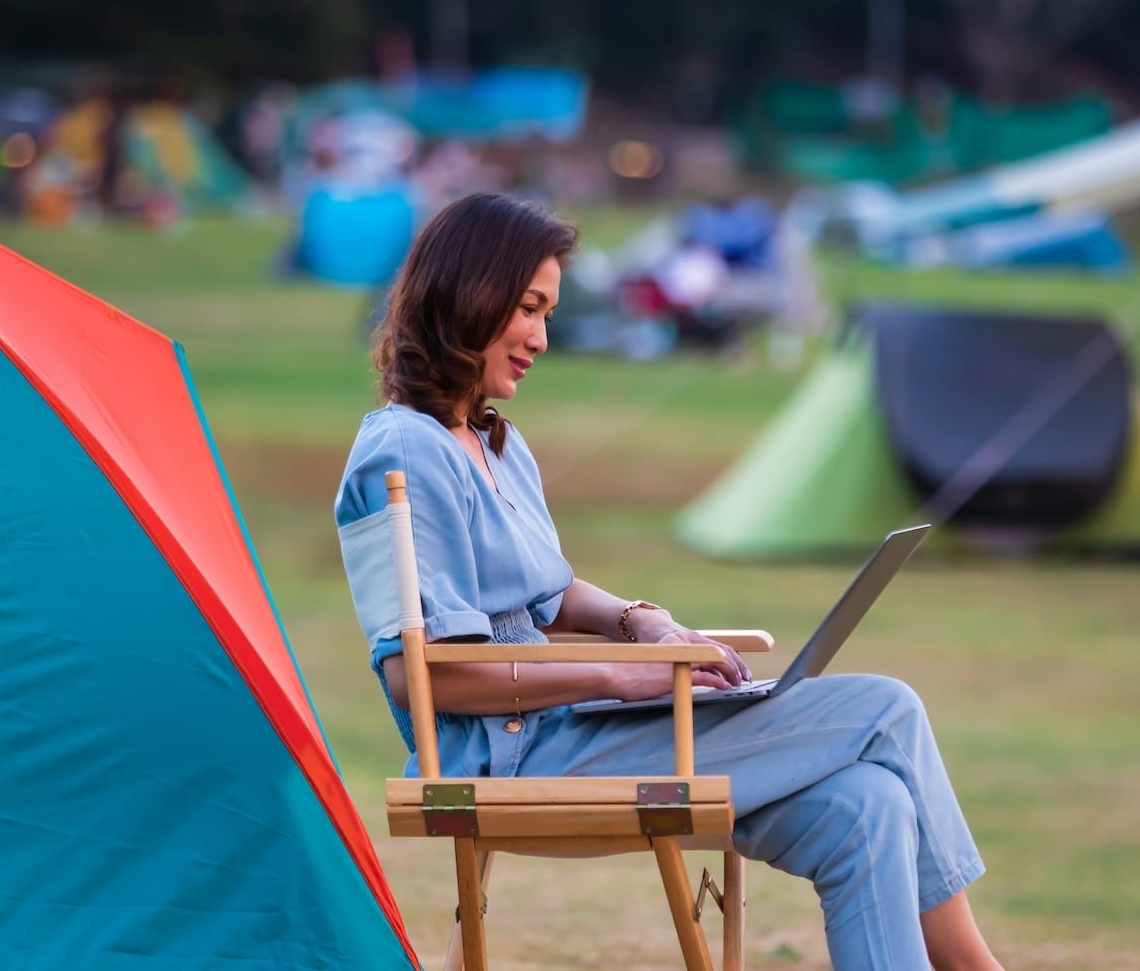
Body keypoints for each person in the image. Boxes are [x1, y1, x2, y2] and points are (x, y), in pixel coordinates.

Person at [334, 193, 1005, 971]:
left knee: (867, 804)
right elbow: (421, 676)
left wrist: (641, 621)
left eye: (548, 313)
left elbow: (549, 592)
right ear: (470, 294)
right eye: (529, 308)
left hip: (572, 729)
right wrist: (620, 676)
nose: (541, 338)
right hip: (515, 758)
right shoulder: (402, 452)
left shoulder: (493, 443)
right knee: (887, 707)